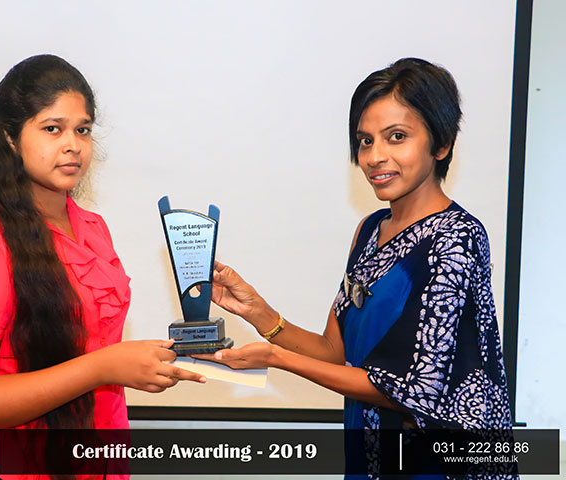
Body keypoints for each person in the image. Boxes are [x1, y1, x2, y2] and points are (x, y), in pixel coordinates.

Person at [194, 58, 513, 478]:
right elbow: (336, 352)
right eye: (365, 141)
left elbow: (415, 390)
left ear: (442, 144)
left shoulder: (457, 237)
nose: (375, 157)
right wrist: (260, 314)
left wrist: (277, 359)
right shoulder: (369, 230)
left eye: (397, 137)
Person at [0, 54, 204, 479]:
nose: (73, 145)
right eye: (52, 129)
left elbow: (94, 344)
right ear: (9, 138)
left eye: (83, 130)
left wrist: (168, 353)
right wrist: (104, 367)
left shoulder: (92, 228)